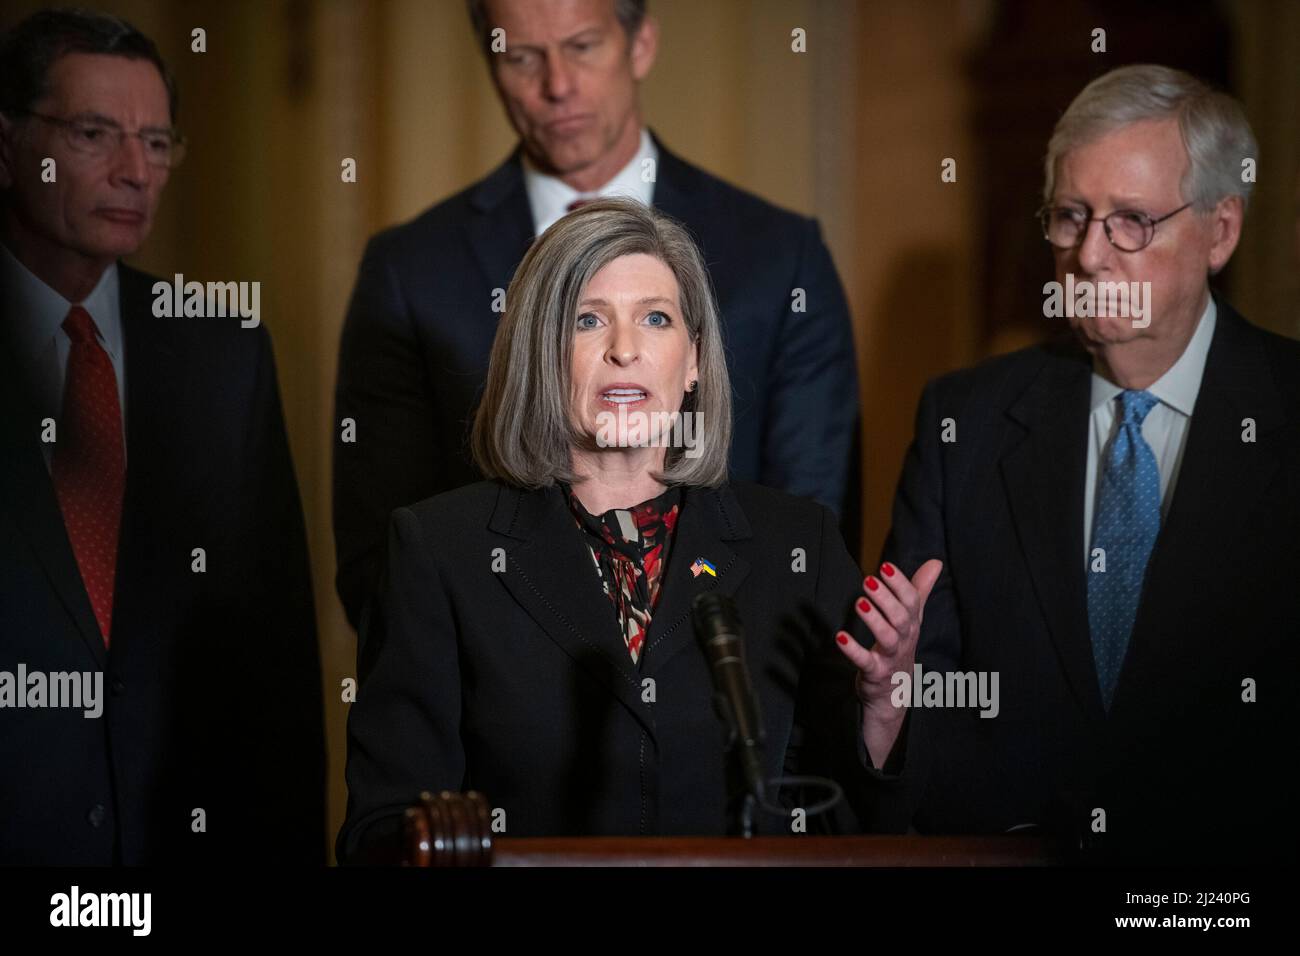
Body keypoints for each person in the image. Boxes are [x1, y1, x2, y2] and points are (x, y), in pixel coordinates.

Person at [337, 199, 939, 863]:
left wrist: (884, 706)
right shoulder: (439, 550)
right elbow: (381, 832)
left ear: (693, 361)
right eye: (588, 320)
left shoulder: (797, 543)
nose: (625, 349)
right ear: (540, 352)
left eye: (656, 318)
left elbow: (859, 829)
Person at [880, 64, 1300, 863]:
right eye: (1072, 217)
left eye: (1132, 222)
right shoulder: (963, 420)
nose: (1091, 257)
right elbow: (914, 697)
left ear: (1221, 231)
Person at [332, 0, 861, 631]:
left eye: (582, 46)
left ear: (640, 45)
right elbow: (379, 556)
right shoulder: (410, 268)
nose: (557, 85)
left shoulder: (780, 255)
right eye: (522, 57)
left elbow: (810, 533)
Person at [0, 8, 325, 864]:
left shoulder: (222, 348)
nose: (134, 170)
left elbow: (276, 660)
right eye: (95, 133)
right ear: (8, 145)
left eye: (156, 140)